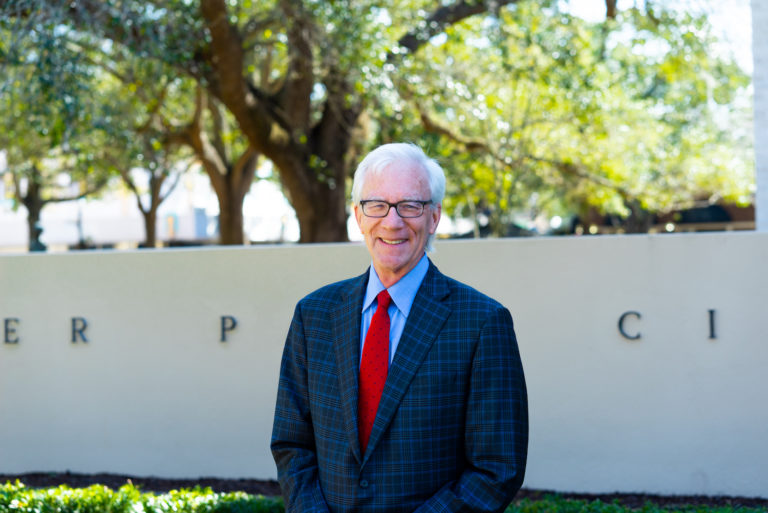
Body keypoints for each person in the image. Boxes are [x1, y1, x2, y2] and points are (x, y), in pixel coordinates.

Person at [271, 143, 528, 513]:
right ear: (358, 216)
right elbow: (292, 444)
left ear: (434, 217)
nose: (392, 222)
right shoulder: (313, 316)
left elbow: (496, 468)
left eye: (410, 205)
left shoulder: (483, 323)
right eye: (377, 205)